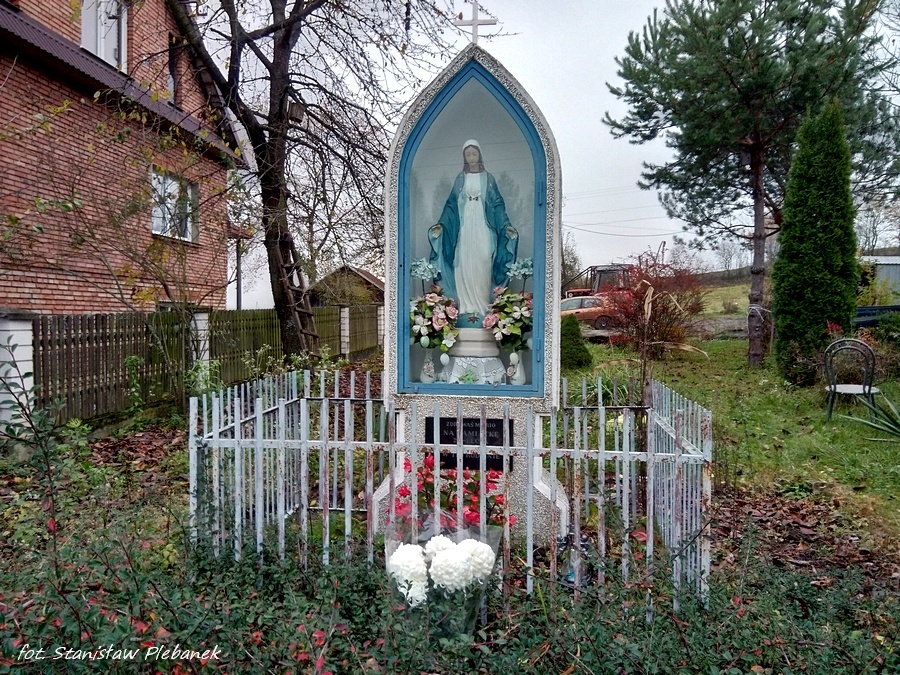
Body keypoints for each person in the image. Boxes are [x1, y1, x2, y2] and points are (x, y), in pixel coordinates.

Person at [428, 140, 518, 318]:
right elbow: (451, 205)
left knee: (484, 259)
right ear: (464, 157)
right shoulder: (460, 178)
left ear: (480, 155)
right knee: (464, 259)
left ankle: (483, 306)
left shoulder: (488, 178)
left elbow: (497, 204)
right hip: (465, 225)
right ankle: (466, 306)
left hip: (483, 224)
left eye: (474, 154)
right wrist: (441, 224)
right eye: (468, 154)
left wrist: (506, 225)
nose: (471, 158)